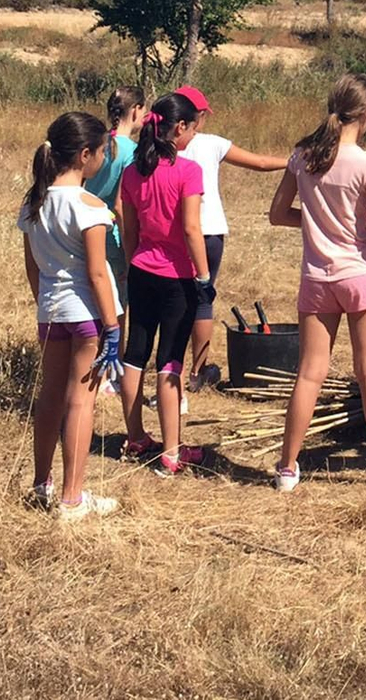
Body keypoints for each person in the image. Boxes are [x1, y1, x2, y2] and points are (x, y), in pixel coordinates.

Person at [268, 75, 366, 492]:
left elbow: (279, 213)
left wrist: (314, 223)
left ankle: (287, 468)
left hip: (317, 277)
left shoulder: (303, 156)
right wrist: (362, 227)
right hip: (361, 276)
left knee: (309, 372)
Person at [20, 111, 122, 520]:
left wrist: (44, 303)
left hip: (51, 314)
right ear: (84, 155)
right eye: (101, 153)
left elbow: (32, 268)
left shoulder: (34, 203)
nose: (102, 160)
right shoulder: (90, 206)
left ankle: (41, 483)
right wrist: (112, 327)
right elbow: (97, 272)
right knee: (82, 402)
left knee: (50, 396)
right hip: (86, 317)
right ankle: (72, 498)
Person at [118, 91, 212, 478]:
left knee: (135, 354)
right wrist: (203, 276)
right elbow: (191, 228)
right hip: (177, 277)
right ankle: (172, 452)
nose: (192, 137)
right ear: (179, 128)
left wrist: (131, 264)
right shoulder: (188, 171)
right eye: (191, 129)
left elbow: (129, 225)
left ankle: (137, 436)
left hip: (142, 270)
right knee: (170, 361)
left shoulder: (132, 171)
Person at [176, 85, 290, 395]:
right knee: (202, 301)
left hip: (172, 234)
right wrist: (292, 162)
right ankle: (198, 372)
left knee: (175, 301)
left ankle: (171, 367)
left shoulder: (159, 145)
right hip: (208, 231)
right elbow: (260, 163)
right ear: (195, 117)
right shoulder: (211, 144)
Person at [83, 86, 145, 313]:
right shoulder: (132, 151)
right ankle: (115, 350)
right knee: (115, 307)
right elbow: (120, 205)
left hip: (87, 229)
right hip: (114, 236)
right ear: (136, 110)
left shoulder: (96, 144)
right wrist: (130, 256)